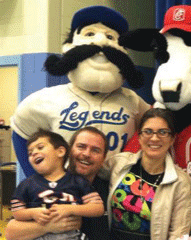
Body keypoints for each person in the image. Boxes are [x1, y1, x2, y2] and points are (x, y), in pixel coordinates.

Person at [10, 5, 150, 177]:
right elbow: (20, 133)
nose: (99, 43)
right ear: (70, 47)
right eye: (89, 34)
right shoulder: (45, 98)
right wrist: (37, 178)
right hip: (66, 187)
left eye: (109, 37)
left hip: (116, 187)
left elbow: (155, 130)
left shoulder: (132, 100)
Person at [5, 126, 111, 240]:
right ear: (69, 149)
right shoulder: (39, 185)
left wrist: (71, 208)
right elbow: (11, 233)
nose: (86, 154)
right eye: (81, 147)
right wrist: (49, 226)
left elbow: (99, 209)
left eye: (95, 150)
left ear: (104, 158)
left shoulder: (110, 189)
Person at [105, 108, 191, 240]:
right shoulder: (119, 164)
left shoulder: (181, 182)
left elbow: (178, 237)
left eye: (162, 132)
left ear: (172, 139)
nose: (154, 138)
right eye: (148, 131)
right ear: (139, 137)